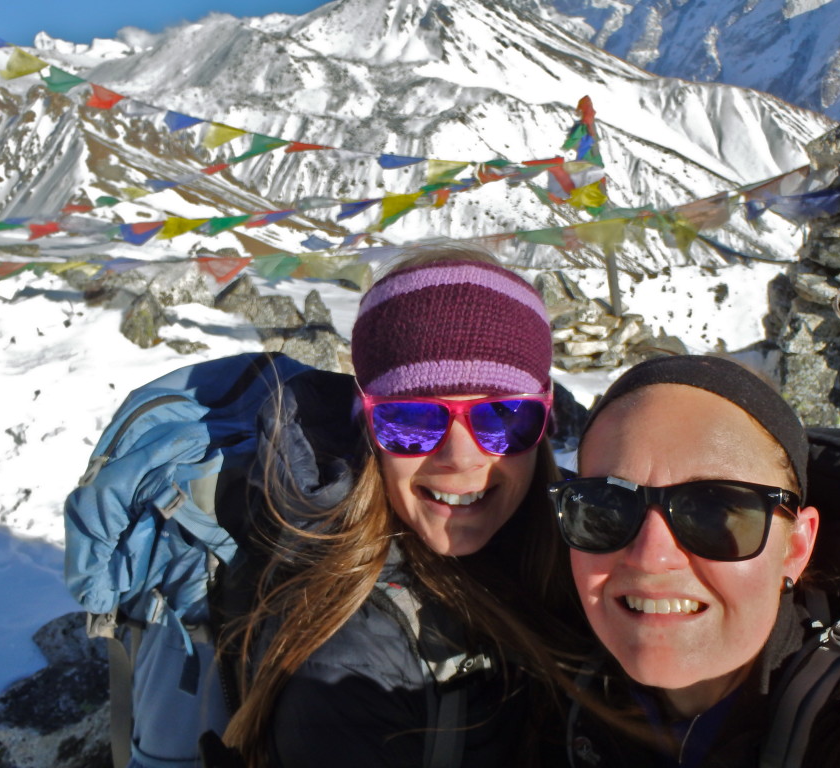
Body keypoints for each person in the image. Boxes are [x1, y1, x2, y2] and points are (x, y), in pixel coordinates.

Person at [212, 249, 581, 767]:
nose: (461, 457)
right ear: (367, 428)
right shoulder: (344, 665)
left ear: (545, 422)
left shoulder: (592, 550)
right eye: (411, 419)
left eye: (504, 417)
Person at [550, 354, 840, 767]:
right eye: (607, 508)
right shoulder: (545, 664)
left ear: (795, 548)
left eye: (716, 512)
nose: (651, 557)